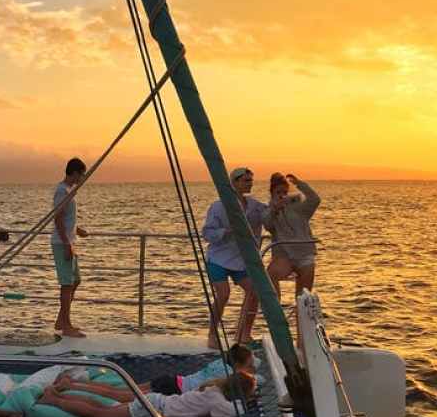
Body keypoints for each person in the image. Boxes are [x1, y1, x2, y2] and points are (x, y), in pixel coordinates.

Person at [201, 166, 268, 348]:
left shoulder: (254, 205)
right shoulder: (218, 206)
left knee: (254, 292)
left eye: (251, 180)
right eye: (246, 180)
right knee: (223, 294)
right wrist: (226, 232)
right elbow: (206, 232)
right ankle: (212, 334)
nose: (250, 184)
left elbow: (269, 214)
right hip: (218, 258)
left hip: (240, 260)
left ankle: (243, 334)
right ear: (235, 183)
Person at [38, 371, 256, 417]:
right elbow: (231, 412)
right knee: (100, 414)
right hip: (152, 409)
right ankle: (54, 400)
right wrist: (247, 403)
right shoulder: (217, 401)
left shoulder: (211, 389)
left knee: (103, 405)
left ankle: (59, 395)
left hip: (156, 401)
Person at [52, 343, 255, 401]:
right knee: (122, 396)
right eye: (248, 365)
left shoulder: (220, 363)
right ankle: (71, 386)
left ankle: (73, 385)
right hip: (172, 389)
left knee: (121, 392)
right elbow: (252, 381)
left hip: (172, 381)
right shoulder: (229, 376)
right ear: (239, 365)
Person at [263, 172, 321, 299]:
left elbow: (315, 200)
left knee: (303, 297)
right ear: (272, 193)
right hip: (284, 256)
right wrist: (274, 210)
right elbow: (267, 225)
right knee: (269, 276)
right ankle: (276, 310)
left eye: (284, 192)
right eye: (278, 192)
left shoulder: (299, 207)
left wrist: (299, 183)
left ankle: (301, 317)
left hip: (304, 254)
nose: (281, 195)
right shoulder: (268, 210)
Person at [50, 157, 90, 338]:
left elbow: (66, 218)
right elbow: (57, 218)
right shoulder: (62, 191)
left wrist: (77, 229)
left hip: (70, 241)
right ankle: (66, 326)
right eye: (81, 174)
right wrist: (67, 244)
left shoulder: (69, 191)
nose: (82, 178)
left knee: (75, 281)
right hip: (62, 243)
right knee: (66, 284)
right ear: (74, 173)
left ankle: (61, 319)